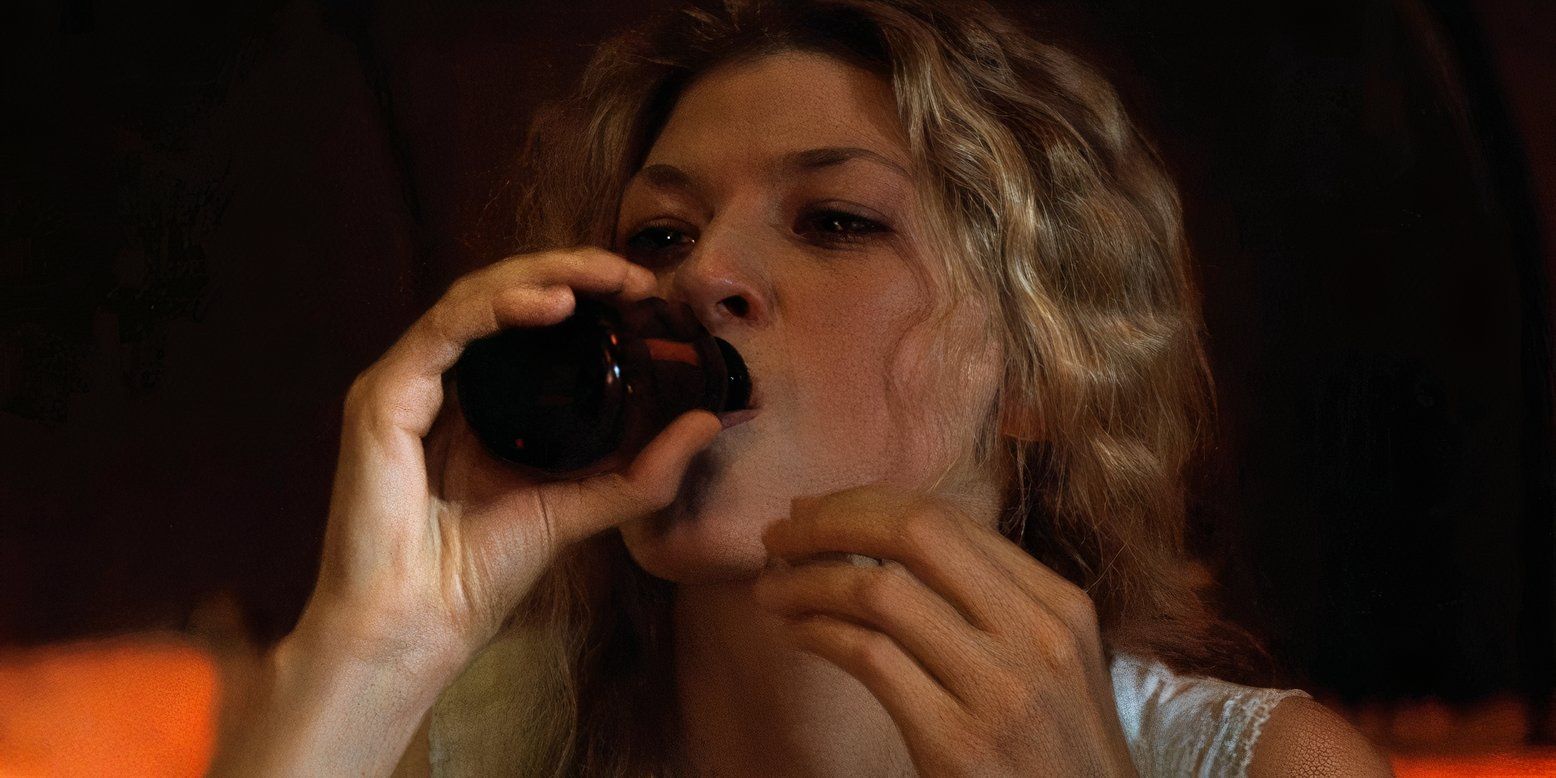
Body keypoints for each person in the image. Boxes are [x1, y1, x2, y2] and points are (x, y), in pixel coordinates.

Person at [211, 0, 1396, 775]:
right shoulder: (443, 739)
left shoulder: (1268, 768)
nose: (705, 275)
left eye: (833, 221)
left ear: (1040, 363)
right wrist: (368, 652)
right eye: (662, 235)